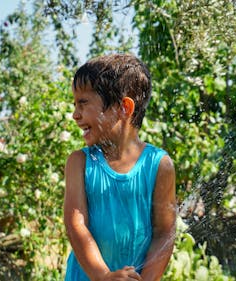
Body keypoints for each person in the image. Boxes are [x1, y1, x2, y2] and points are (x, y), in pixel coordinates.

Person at [64, 53, 176, 281]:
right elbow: (76, 225)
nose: (75, 114)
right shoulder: (80, 163)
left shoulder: (159, 165)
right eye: (75, 104)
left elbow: (164, 232)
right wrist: (103, 276)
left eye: (83, 103)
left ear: (124, 108)